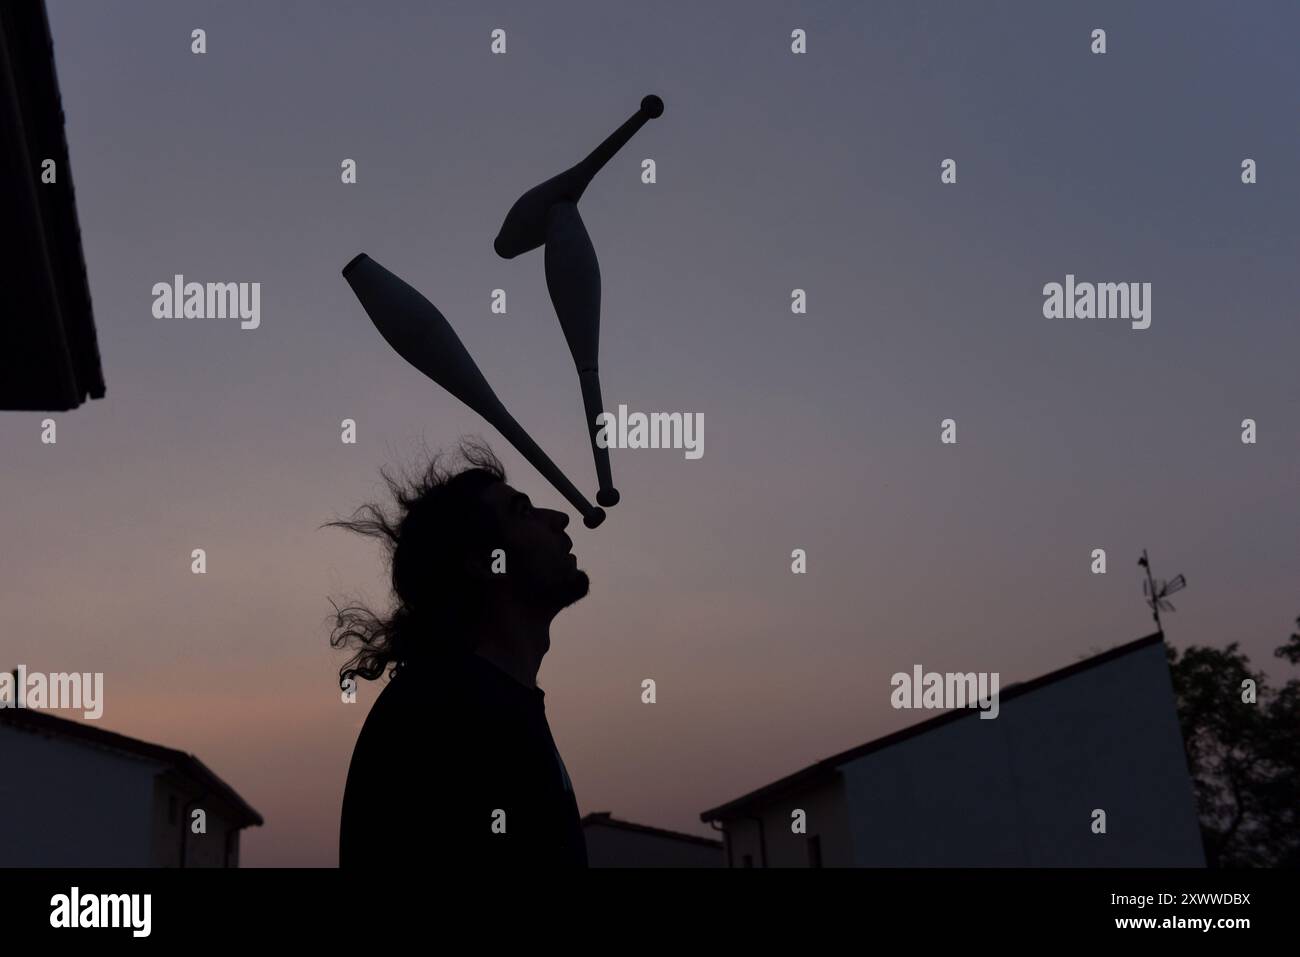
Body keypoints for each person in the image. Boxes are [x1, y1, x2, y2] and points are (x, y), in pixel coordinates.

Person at [331, 441, 590, 867]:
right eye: (522, 511)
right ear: (484, 560)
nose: (559, 518)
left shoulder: (483, 703)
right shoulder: (434, 713)